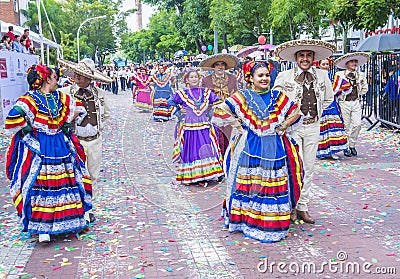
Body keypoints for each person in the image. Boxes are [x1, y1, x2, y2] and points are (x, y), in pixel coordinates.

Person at [211, 61, 303, 243]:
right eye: (260, 75)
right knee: (252, 183)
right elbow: (220, 110)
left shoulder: (278, 96)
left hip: (273, 146)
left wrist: (284, 125)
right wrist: (238, 125)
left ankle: (271, 223)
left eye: (267, 75)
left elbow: (296, 112)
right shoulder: (242, 96)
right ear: (250, 79)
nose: (264, 79)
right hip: (250, 146)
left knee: (270, 183)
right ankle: (248, 221)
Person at [5, 65, 92, 243]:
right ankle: (43, 228)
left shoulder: (60, 96)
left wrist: (66, 122)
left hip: (59, 142)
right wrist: (30, 129)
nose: (57, 79)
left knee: (66, 180)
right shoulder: (28, 99)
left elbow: (79, 108)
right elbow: (13, 117)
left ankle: (68, 222)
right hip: (41, 145)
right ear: (47, 79)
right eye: (54, 77)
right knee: (42, 182)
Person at [273, 39, 335, 224]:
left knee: (309, 167)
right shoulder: (284, 76)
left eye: (308, 55)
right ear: (296, 58)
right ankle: (291, 206)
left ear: (313, 58)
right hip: (293, 128)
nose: (305, 59)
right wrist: (287, 119)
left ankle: (302, 207)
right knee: (294, 166)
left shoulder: (323, 75)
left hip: (313, 126)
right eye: (302, 55)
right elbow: (276, 100)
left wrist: (317, 114)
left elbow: (329, 99)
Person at [58, 58, 112, 223]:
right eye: (76, 74)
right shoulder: (65, 92)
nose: (77, 77)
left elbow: (106, 114)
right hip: (76, 141)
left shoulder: (100, 94)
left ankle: (89, 208)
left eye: (81, 75)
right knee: (75, 175)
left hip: (95, 140)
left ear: (89, 78)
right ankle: (78, 208)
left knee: (92, 175)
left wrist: (98, 128)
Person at [168, 69, 224, 187]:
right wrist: (179, 110)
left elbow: (218, 101)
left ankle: (208, 174)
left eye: (196, 77)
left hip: (204, 126)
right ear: (187, 80)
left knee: (206, 149)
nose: (194, 79)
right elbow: (170, 101)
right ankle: (192, 175)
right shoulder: (182, 93)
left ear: (199, 79)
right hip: (189, 126)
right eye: (191, 77)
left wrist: (210, 112)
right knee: (191, 149)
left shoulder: (206, 92)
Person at [199, 53, 239, 160]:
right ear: (213, 67)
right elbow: (202, 97)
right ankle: (216, 161)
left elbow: (236, 95)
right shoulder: (206, 80)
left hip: (228, 113)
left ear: (225, 67)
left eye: (222, 64)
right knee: (216, 138)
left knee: (227, 138)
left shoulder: (232, 78)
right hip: (212, 114)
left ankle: (226, 160)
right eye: (217, 65)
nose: (220, 67)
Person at [333, 52, 369, 157]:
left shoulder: (361, 75)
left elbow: (365, 88)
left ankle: (352, 144)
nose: (354, 64)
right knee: (346, 125)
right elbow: (335, 88)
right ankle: (346, 146)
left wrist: (359, 94)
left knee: (357, 124)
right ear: (347, 63)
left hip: (356, 102)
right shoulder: (340, 75)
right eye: (352, 61)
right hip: (344, 102)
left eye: (355, 62)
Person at [316, 59, 348, 160]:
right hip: (320, 105)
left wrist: (336, 92)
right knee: (322, 129)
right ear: (319, 65)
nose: (325, 66)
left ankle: (333, 150)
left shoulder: (333, 77)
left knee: (332, 127)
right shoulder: (315, 76)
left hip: (332, 105)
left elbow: (345, 85)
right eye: (323, 64)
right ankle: (323, 151)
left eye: (327, 64)